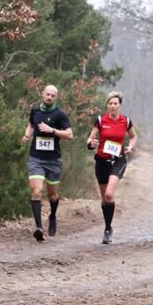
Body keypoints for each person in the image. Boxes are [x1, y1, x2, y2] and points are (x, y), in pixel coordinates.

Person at [21, 84, 73, 241]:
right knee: (36, 191)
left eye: (53, 95)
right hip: (36, 158)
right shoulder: (35, 110)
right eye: (47, 94)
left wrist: (53, 131)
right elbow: (31, 124)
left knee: (52, 195)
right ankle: (38, 228)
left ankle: (52, 215)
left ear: (56, 97)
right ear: (42, 94)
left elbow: (70, 135)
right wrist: (26, 135)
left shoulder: (60, 114)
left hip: (53, 161)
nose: (49, 97)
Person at [85, 91, 138, 244]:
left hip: (118, 160)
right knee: (104, 199)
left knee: (109, 194)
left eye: (116, 104)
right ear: (107, 105)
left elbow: (134, 136)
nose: (113, 106)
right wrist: (91, 144)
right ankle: (108, 226)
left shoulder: (125, 121)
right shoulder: (101, 120)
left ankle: (108, 229)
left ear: (119, 105)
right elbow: (91, 138)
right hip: (101, 161)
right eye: (110, 103)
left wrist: (130, 147)